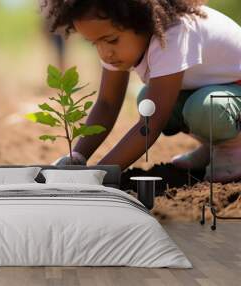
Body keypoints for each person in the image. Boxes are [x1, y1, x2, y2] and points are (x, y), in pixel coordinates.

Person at [43, 0, 241, 183]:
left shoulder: (173, 33)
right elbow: (107, 104)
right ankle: (213, 146)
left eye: (111, 40)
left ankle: (232, 146)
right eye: (95, 43)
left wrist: (98, 175)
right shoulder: (116, 43)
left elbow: (152, 124)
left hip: (233, 91)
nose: (105, 53)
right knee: (147, 98)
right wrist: (76, 157)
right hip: (217, 90)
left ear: (142, 20)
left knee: (203, 109)